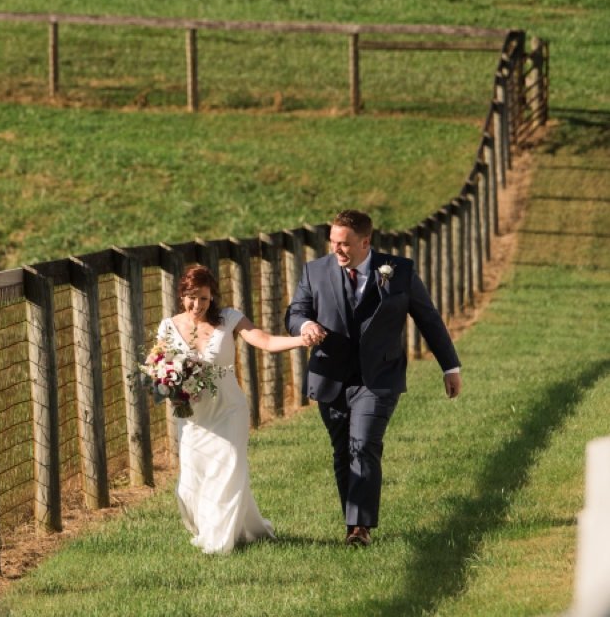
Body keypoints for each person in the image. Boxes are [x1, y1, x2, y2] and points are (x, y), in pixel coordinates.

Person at [286, 209, 460, 547]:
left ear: (366, 242)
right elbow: (295, 312)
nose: (337, 249)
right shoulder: (315, 271)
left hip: (378, 377)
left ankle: (359, 528)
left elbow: (428, 319)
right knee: (342, 452)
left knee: (364, 445)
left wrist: (449, 367)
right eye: (333, 242)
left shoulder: (399, 271)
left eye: (345, 244)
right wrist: (305, 325)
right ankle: (352, 522)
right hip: (329, 376)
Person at [159, 264, 310, 555]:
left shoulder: (228, 319)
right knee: (190, 483)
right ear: (182, 296)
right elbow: (161, 368)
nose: (198, 305)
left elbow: (264, 341)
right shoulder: (168, 327)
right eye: (192, 297)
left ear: (212, 297)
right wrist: (169, 385)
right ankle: (246, 528)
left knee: (228, 471)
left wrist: (302, 340)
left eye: (204, 298)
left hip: (230, 409)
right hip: (193, 416)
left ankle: (218, 543)